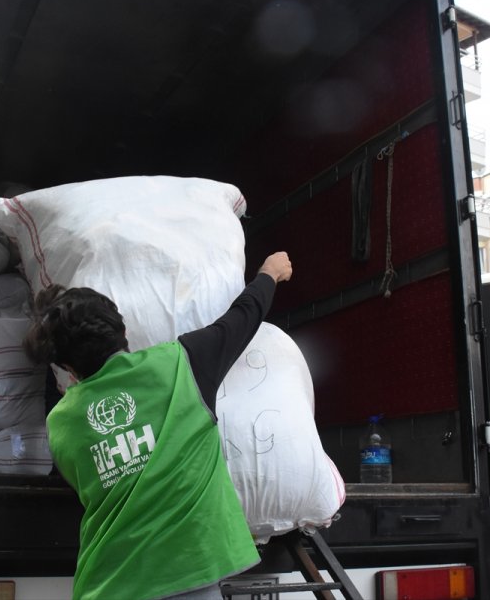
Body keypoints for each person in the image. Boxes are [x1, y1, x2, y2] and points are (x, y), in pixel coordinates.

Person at [26, 252, 293, 600]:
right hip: (188, 575)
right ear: (123, 330)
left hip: (105, 585)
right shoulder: (182, 364)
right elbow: (243, 316)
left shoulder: (61, 421)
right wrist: (269, 272)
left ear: (66, 366)